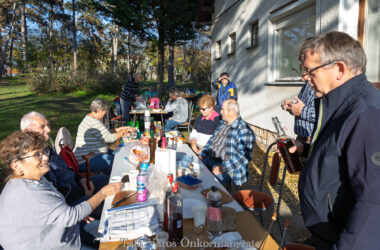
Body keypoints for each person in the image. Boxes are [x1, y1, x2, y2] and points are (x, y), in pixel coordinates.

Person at [292, 31, 380, 249]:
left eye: (309, 70)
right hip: (327, 231)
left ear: (339, 69)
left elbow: (374, 203)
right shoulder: (338, 103)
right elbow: (342, 151)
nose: (304, 77)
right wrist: (306, 149)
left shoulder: (366, 113)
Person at [0, 130, 123, 249]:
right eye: (37, 154)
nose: (46, 158)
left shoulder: (34, 179)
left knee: (117, 231)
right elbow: (71, 216)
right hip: (54, 244)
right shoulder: (28, 192)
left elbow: (58, 212)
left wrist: (71, 214)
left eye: (43, 152)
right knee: (118, 239)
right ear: (17, 166)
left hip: (64, 229)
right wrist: (103, 193)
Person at [20, 111, 109, 207]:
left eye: (48, 125)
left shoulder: (47, 149)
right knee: (106, 202)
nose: (48, 129)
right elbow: (53, 193)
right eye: (42, 127)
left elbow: (66, 170)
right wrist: (86, 197)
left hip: (76, 187)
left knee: (104, 179)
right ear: (27, 131)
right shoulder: (30, 160)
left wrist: (80, 180)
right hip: (67, 202)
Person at [199, 99, 255, 188]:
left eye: (223, 109)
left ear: (232, 112)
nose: (220, 111)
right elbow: (211, 141)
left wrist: (224, 167)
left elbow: (244, 157)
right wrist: (202, 154)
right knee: (194, 173)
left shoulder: (244, 130)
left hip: (227, 168)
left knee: (210, 187)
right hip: (209, 159)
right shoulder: (223, 123)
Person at [74, 98, 134, 174]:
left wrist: (123, 128)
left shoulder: (91, 118)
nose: (105, 113)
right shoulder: (94, 122)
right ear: (99, 110)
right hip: (86, 160)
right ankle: (112, 180)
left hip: (92, 155)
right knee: (117, 162)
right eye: (104, 111)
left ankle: (110, 177)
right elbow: (109, 138)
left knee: (119, 154)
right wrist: (125, 132)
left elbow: (106, 132)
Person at [281, 73, 316, 142]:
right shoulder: (307, 84)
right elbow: (301, 107)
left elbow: (326, 115)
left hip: (313, 139)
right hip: (300, 138)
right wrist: (291, 106)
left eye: (307, 70)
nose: (303, 78)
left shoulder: (325, 86)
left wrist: (302, 111)